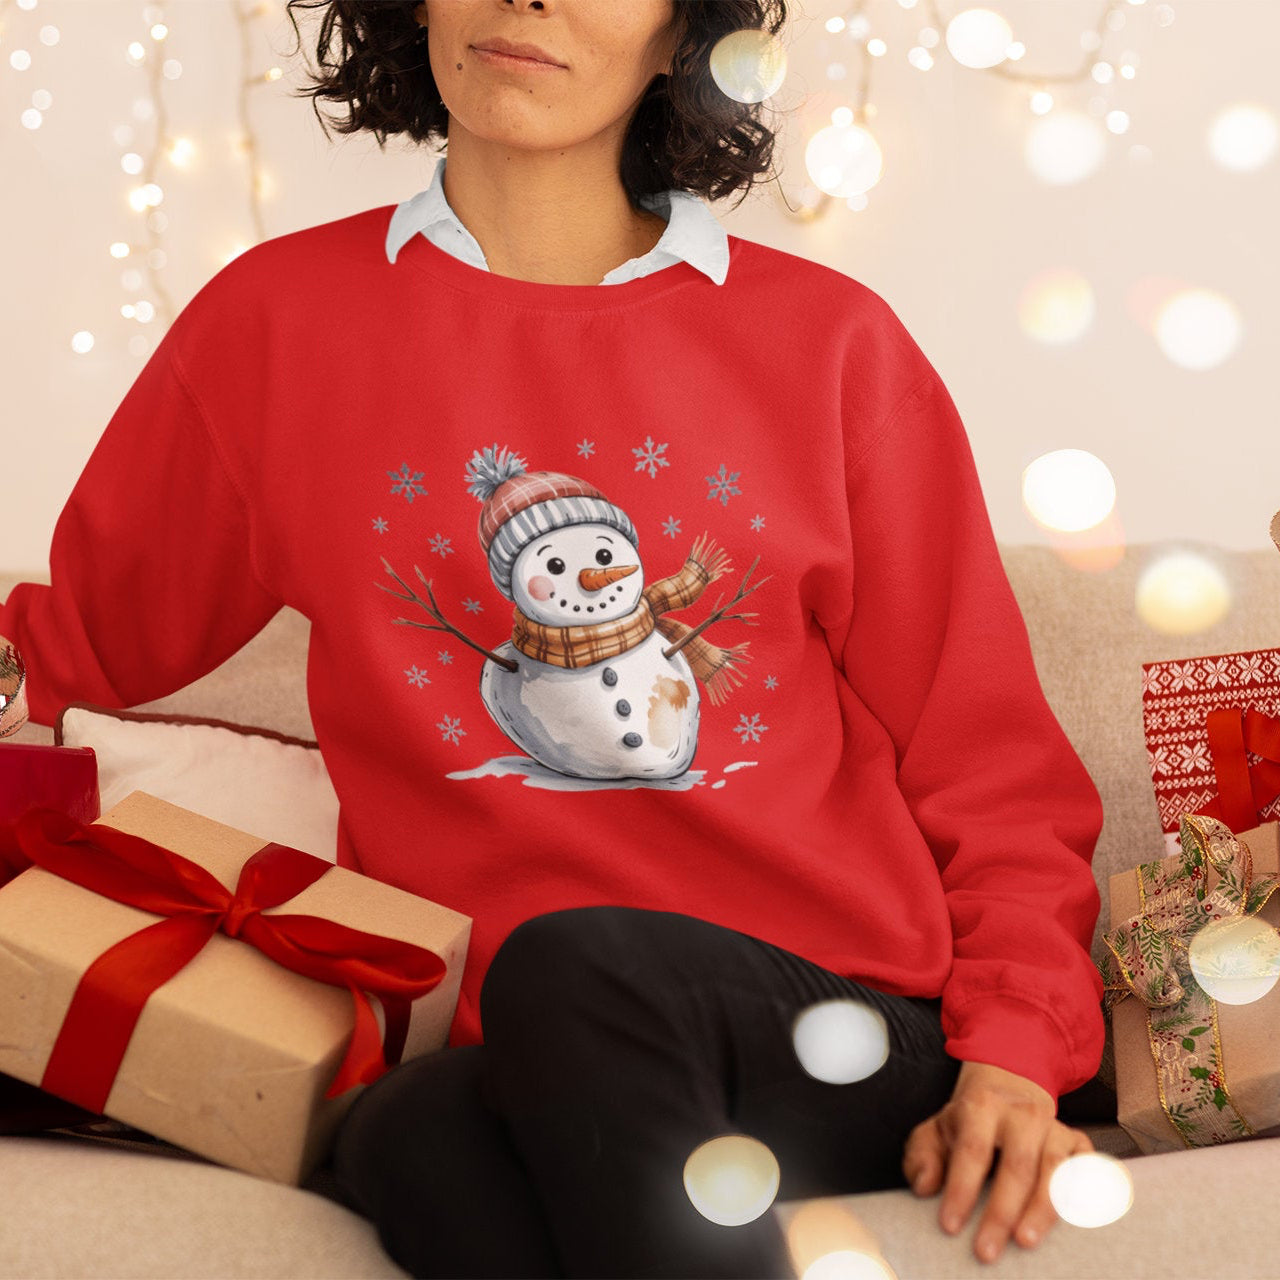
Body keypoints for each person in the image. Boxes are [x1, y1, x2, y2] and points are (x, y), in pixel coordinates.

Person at [0, 0, 1114, 1274]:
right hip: (526, 1058)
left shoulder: (832, 348)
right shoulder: (277, 326)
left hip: (840, 1027)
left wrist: (1015, 1051)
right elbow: (63, 644)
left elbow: (995, 769)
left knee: (571, 965)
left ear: (679, 36)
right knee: (408, 1130)